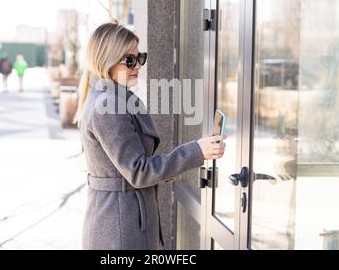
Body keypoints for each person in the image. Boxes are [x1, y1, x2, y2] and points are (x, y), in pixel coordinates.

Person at [74, 21, 227, 250]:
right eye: (130, 60)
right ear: (107, 61)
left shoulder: (116, 99)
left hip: (125, 219)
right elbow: (137, 171)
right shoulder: (107, 107)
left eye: (140, 58)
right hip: (119, 228)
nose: (137, 66)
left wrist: (169, 169)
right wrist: (196, 151)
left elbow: (128, 167)